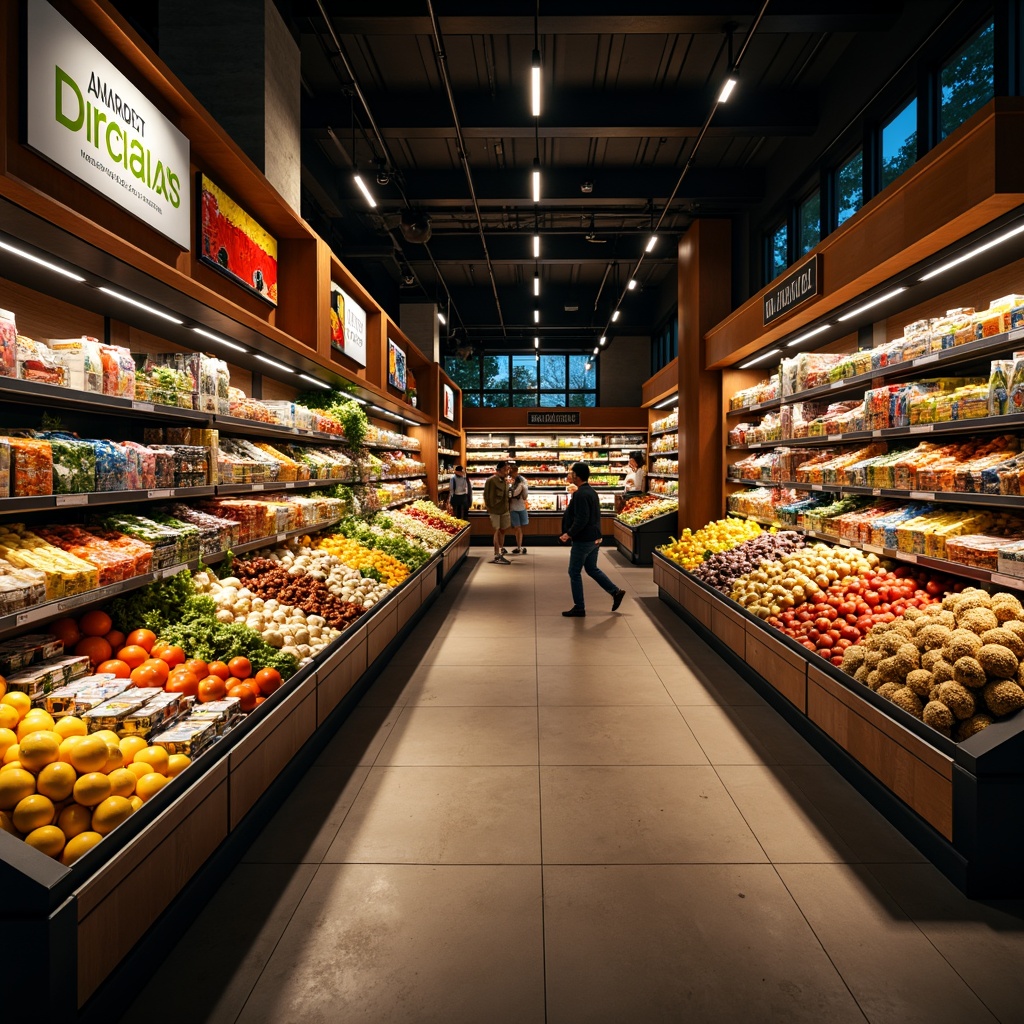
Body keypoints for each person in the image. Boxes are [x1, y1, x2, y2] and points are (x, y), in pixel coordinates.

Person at [559, 461, 626, 617]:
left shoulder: (581, 494)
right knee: (591, 568)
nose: (570, 475)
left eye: (572, 473)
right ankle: (615, 592)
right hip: (595, 537)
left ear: (576, 476)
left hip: (584, 540)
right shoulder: (591, 492)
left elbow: (582, 518)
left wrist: (569, 533)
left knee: (574, 572)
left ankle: (579, 607)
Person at [482, 459, 511, 564]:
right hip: (494, 510)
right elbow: (486, 495)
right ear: (500, 469)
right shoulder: (491, 480)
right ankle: (496, 554)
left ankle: (501, 551)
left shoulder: (505, 481)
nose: (507, 471)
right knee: (496, 530)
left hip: (504, 509)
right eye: (505, 469)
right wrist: (489, 507)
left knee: (503, 530)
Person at [507, 461, 530, 554]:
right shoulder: (515, 480)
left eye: (512, 473)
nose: (511, 475)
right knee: (517, 528)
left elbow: (523, 495)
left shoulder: (521, 481)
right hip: (515, 507)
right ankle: (519, 546)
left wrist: (512, 493)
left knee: (518, 527)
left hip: (519, 506)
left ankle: (519, 546)